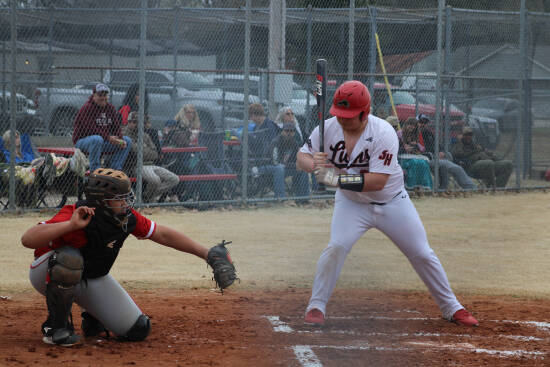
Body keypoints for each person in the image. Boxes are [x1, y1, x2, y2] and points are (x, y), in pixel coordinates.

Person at [296, 80, 478, 327]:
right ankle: (316, 306)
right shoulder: (326, 128)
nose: (342, 120)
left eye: (349, 116)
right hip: (351, 204)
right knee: (336, 247)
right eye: (340, 114)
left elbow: (377, 181)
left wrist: (331, 177)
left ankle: (451, 307)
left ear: (365, 112)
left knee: (422, 253)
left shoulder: (383, 133)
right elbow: (301, 157)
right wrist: (313, 164)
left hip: (392, 202)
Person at [21, 168, 236, 346]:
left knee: (137, 329)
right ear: (102, 201)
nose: (126, 203)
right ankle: (56, 328)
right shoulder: (77, 214)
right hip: (47, 273)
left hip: (90, 277)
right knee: (70, 259)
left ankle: (92, 314)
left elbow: (162, 234)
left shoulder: (125, 218)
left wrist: (207, 254)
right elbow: (28, 239)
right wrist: (69, 225)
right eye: (119, 199)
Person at [73, 83, 132, 173]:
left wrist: (119, 139)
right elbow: (90, 129)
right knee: (97, 139)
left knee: (127, 140)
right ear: (94, 95)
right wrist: (109, 138)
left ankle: (115, 169)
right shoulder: (87, 108)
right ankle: (96, 170)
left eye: (105, 95)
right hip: (83, 142)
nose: (103, 98)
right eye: (100, 95)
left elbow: (116, 127)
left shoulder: (110, 108)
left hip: (103, 141)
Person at [122, 112, 179, 202]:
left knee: (174, 179)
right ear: (128, 122)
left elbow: (155, 154)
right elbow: (136, 152)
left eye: (138, 122)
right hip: (136, 166)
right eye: (133, 122)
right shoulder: (125, 135)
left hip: (150, 164)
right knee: (155, 180)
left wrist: (143, 152)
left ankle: (145, 197)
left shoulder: (144, 135)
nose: (136, 124)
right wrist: (145, 151)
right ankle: (146, 199)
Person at [1, 129, 87, 186]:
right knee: (51, 159)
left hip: (38, 168)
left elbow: (33, 160)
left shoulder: (25, 154)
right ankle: (72, 163)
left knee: (50, 159)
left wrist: (37, 161)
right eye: (15, 137)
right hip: (27, 170)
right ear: (8, 140)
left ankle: (70, 162)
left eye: (18, 137)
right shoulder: (6, 154)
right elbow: (12, 167)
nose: (18, 139)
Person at [416, 114, 476, 190]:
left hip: (434, 157)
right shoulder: (414, 134)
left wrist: (441, 152)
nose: (423, 125)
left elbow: (438, 145)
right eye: (421, 122)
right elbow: (419, 151)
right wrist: (434, 154)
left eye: (425, 123)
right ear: (416, 122)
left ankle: (443, 188)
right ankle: (471, 188)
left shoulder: (428, 133)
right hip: (425, 159)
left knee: (447, 158)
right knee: (457, 168)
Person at [248, 103, 285, 199]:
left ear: (256, 115)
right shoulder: (256, 127)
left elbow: (272, 146)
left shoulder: (269, 125)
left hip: (270, 161)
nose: (251, 119)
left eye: (251, 116)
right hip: (258, 162)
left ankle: (280, 198)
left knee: (279, 169)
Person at [268, 122, 310, 200]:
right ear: (282, 131)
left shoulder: (294, 143)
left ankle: (303, 198)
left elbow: (297, 159)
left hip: (287, 168)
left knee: (303, 169)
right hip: (272, 168)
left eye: (291, 131)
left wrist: (299, 164)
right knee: (279, 168)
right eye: (286, 131)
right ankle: (280, 198)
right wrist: (294, 165)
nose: (289, 133)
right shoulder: (276, 142)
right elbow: (275, 162)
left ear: (294, 133)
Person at [398, 118, 433, 191]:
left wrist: (416, 145)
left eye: (413, 125)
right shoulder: (399, 133)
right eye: (409, 124)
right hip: (402, 157)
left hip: (414, 155)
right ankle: (410, 186)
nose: (411, 127)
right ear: (406, 125)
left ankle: (424, 186)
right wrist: (404, 148)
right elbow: (395, 147)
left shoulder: (416, 134)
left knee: (424, 163)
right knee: (414, 162)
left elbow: (422, 148)